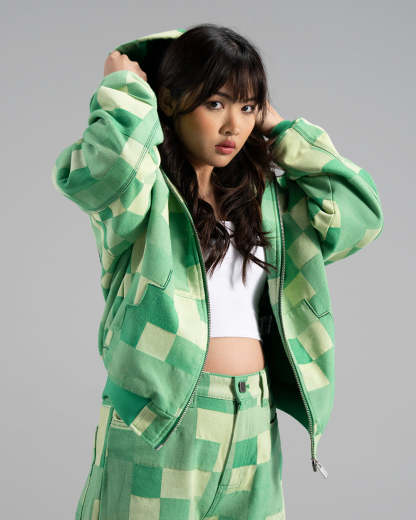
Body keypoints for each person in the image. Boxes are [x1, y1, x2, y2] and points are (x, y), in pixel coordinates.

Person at [51, 23, 384, 520]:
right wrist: (123, 92)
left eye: (247, 107)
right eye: (215, 104)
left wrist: (282, 129)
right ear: (170, 101)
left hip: (253, 417)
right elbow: (101, 174)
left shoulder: (266, 202)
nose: (234, 126)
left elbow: (361, 216)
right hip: (161, 419)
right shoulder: (144, 195)